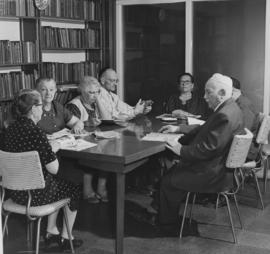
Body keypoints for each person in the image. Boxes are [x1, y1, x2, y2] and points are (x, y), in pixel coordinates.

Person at [157, 73, 244, 235]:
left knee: (168, 181)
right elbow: (205, 128)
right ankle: (165, 216)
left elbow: (207, 148)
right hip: (221, 170)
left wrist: (180, 149)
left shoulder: (224, 115)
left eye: (208, 92)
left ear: (222, 94)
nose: (204, 97)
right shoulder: (230, 108)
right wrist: (178, 129)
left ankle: (166, 226)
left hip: (213, 175)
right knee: (171, 173)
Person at [2, 89, 83, 251]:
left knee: (57, 184)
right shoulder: (36, 132)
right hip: (37, 196)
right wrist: (54, 147)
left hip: (14, 194)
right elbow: (54, 169)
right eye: (40, 106)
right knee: (73, 187)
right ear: (33, 109)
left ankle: (51, 229)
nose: (43, 109)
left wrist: (45, 149)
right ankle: (67, 238)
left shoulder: (8, 131)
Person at [66, 76, 108, 203]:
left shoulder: (94, 103)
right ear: (82, 92)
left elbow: (106, 119)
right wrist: (87, 122)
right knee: (93, 155)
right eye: (91, 92)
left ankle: (101, 188)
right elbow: (74, 127)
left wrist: (99, 101)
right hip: (78, 143)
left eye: (97, 92)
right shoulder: (74, 105)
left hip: (95, 139)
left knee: (108, 153)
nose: (94, 95)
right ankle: (88, 191)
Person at [231, 77, 261, 160]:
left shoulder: (244, 105)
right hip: (241, 145)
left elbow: (244, 131)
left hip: (246, 149)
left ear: (232, 90)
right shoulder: (238, 102)